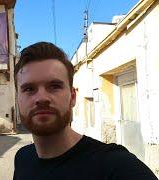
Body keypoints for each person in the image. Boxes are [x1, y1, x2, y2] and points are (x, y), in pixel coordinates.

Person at [13, 42, 157, 180]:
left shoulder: (117, 167)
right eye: (29, 89)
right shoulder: (22, 158)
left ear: (73, 97)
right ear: (17, 99)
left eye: (54, 86)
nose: (42, 98)